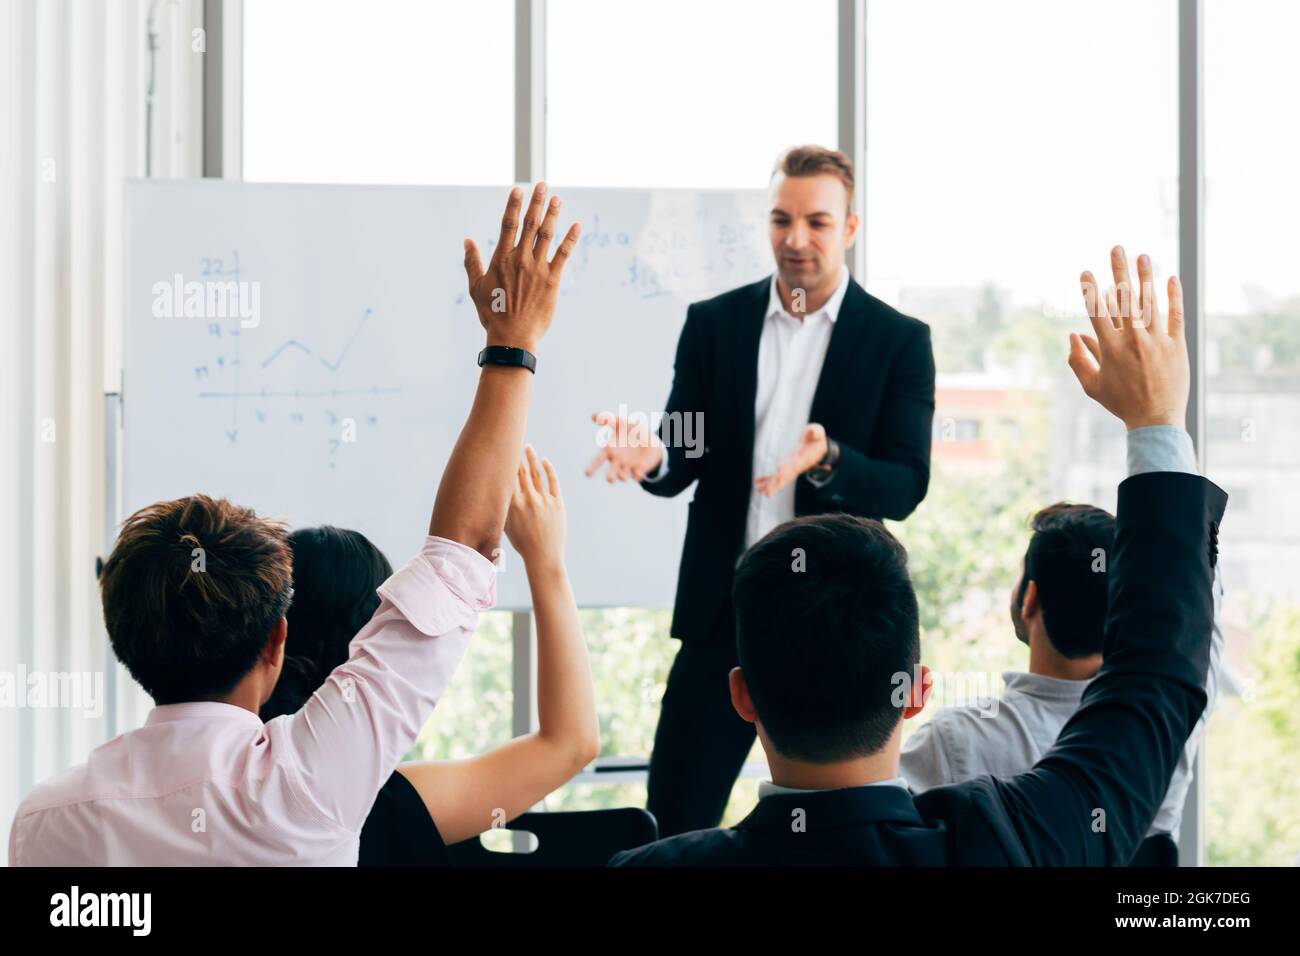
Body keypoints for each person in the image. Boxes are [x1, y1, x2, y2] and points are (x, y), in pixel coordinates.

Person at [8, 183, 580, 865]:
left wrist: (511, 350)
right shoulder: (306, 787)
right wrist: (511, 343)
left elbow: (460, 557)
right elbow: (459, 559)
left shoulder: (44, 821)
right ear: (276, 641)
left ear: (124, 640)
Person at [611, 247, 1228, 866]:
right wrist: (1156, 421)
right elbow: (1155, 678)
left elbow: (1156, 677)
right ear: (914, 690)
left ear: (742, 696)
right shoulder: (1020, 843)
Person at [587, 145, 936, 836]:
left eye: (817, 222)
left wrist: (831, 457)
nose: (796, 239)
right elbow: (682, 455)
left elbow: (905, 484)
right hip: (726, 617)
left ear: (851, 228)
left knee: (840, 830)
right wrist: (651, 454)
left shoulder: (898, 341)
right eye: (781, 219)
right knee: (675, 821)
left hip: (836, 624)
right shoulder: (715, 324)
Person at [259, 446, 598, 864]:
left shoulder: (212, 782)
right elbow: (569, 745)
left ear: (270, 637)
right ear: (369, 645)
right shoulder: (385, 805)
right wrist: (547, 563)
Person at [899, 441, 1226, 864]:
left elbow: (875, 830)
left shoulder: (955, 739)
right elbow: (1188, 583)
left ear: (1030, 598)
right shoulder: (1175, 713)